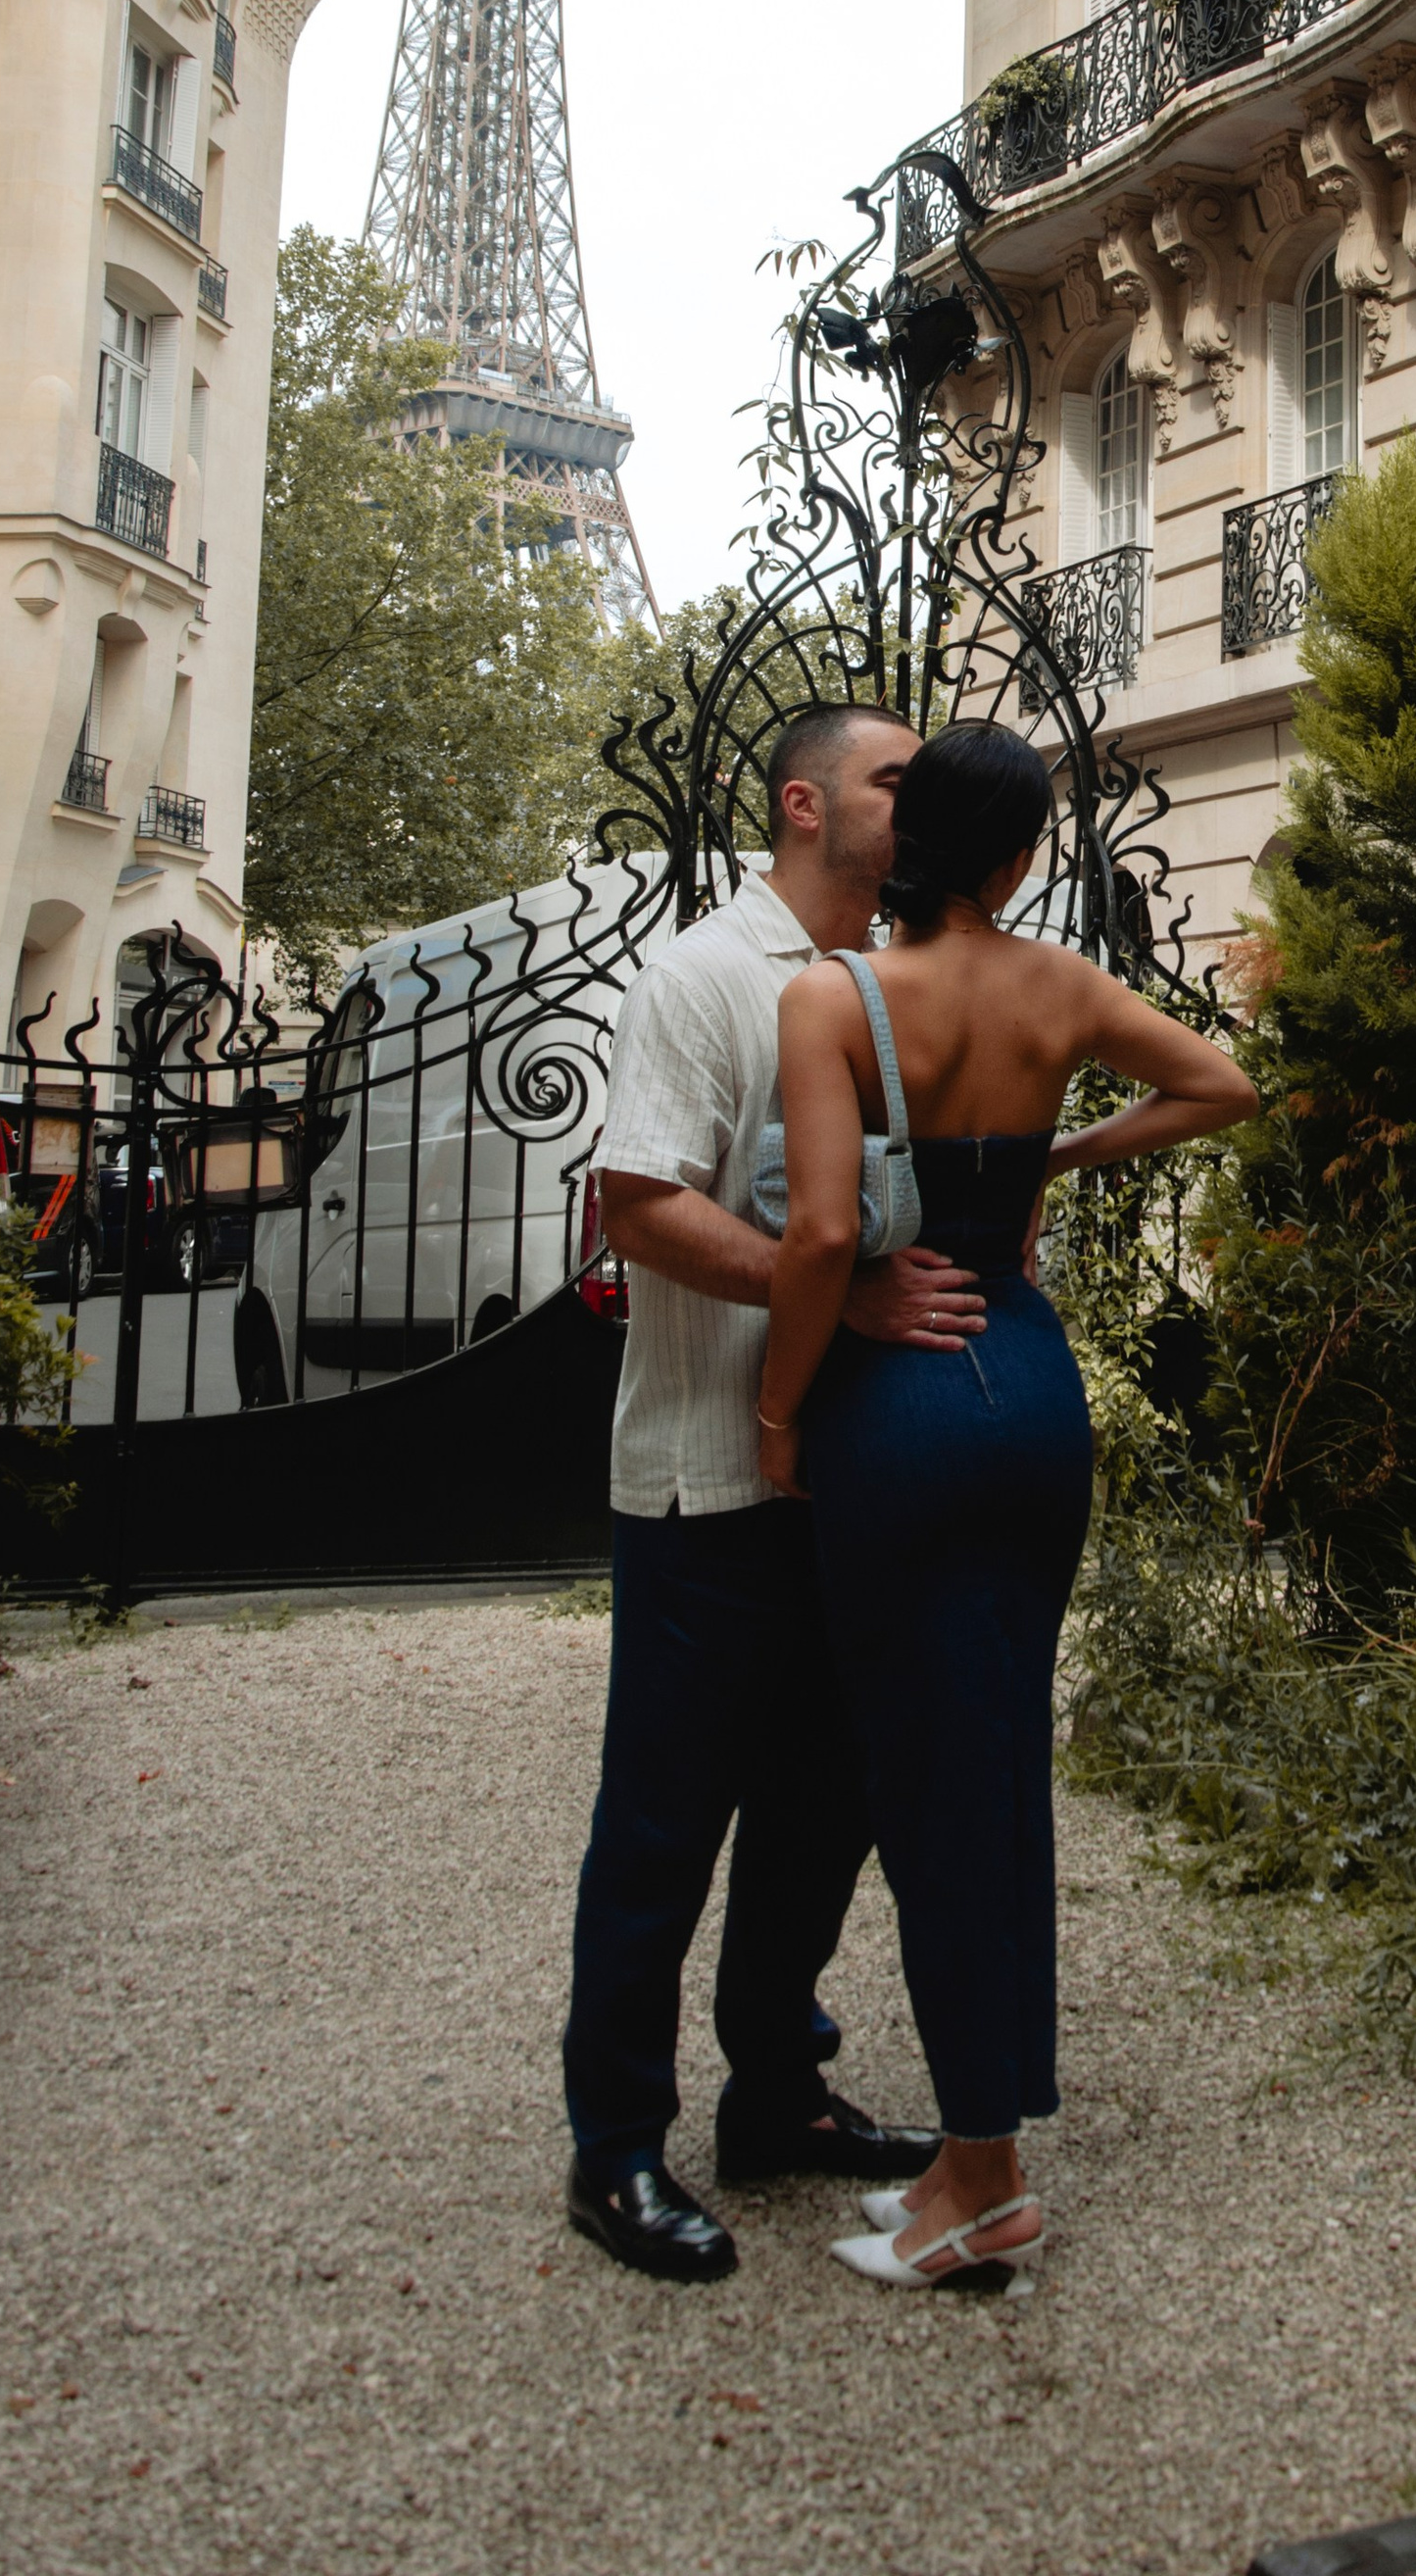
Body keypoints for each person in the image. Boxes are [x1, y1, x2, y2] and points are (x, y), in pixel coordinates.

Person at [757, 718, 1256, 2291]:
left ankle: (986, 2181)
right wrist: (1060, 1163)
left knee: (929, 1790)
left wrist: (780, 1413)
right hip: (1033, 1394)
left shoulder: (833, 998)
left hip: (901, 1402)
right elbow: (1222, 1083)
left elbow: (829, 1231)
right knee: (997, 1770)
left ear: (908, 848)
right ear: (1021, 855)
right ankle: (978, 2163)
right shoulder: (1060, 988)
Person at [561, 703, 990, 2286]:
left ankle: (778, 2095)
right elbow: (641, 1207)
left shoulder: (894, 984)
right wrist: (846, 1294)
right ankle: (614, 2149)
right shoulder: (701, 976)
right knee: (665, 1830)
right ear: (806, 807)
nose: (918, 801)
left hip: (854, 1488)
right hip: (705, 1483)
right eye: (894, 779)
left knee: (825, 1816)